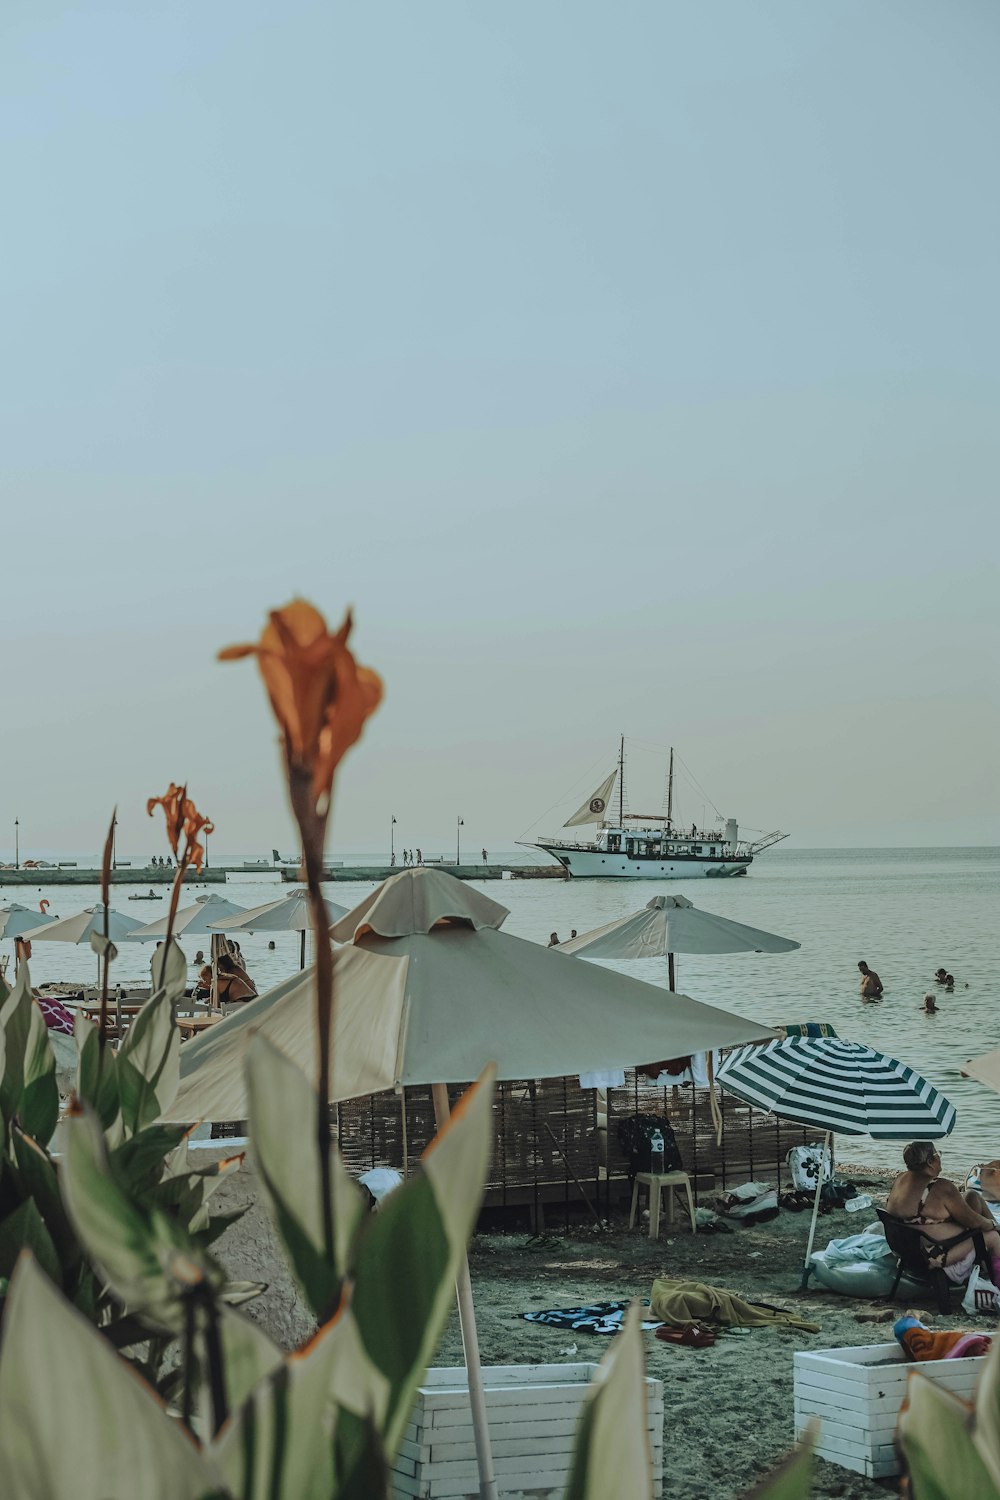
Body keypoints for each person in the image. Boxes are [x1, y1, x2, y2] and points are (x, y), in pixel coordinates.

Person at [886, 1141, 1000, 1285]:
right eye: (937, 1154)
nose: (940, 1157)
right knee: (992, 1236)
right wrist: (991, 1224)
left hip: (908, 1249)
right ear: (930, 1162)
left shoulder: (901, 1179)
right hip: (935, 1255)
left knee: (972, 1196)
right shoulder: (941, 1187)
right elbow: (974, 1222)